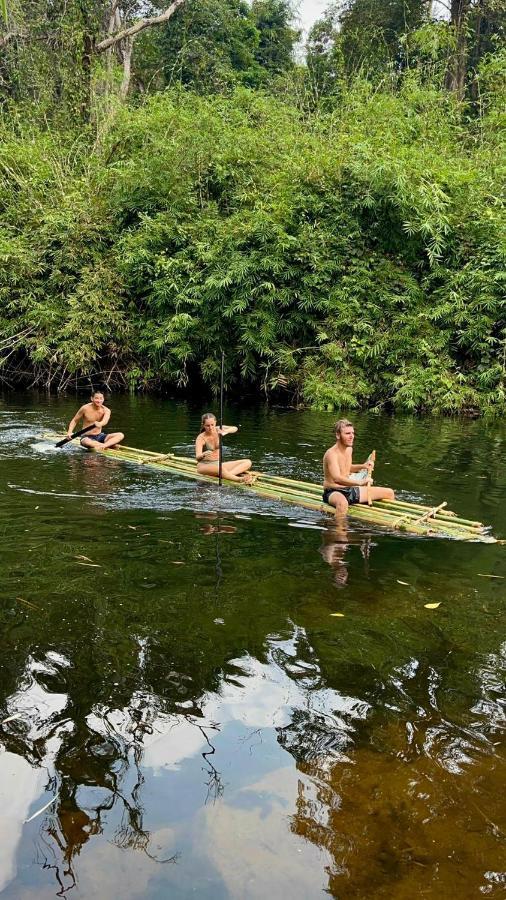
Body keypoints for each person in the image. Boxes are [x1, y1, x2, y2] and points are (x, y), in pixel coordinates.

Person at [323, 418, 394, 516]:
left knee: (389, 493)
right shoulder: (331, 454)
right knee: (343, 504)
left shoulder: (349, 449)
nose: (352, 436)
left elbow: (347, 468)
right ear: (338, 435)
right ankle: (338, 530)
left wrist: (363, 466)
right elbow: (337, 478)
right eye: (347, 433)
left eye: (352, 433)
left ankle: (381, 521)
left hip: (350, 489)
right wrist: (360, 482)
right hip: (333, 492)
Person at [195, 413, 253, 483]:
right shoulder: (201, 438)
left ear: (215, 423)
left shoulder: (218, 429)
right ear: (203, 425)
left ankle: (228, 475)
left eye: (212, 425)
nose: (210, 428)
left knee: (247, 462)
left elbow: (235, 428)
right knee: (221, 469)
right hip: (204, 466)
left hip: (217, 464)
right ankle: (238, 479)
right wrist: (203, 454)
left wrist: (226, 431)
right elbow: (197, 457)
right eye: (207, 426)